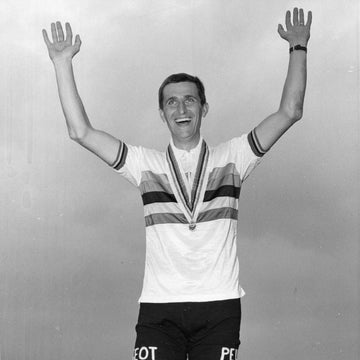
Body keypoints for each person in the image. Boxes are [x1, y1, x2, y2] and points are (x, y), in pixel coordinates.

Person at [43, 7, 312, 360]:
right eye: (171, 101)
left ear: (204, 107)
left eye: (189, 99)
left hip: (219, 308)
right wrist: (62, 63)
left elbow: (290, 111)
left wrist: (298, 48)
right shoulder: (145, 165)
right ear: (162, 113)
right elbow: (81, 132)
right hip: (159, 310)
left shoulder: (234, 157)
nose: (181, 108)